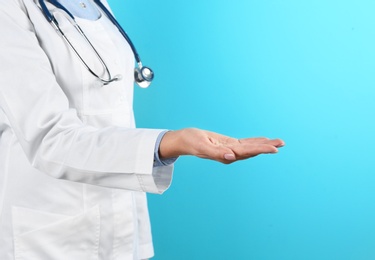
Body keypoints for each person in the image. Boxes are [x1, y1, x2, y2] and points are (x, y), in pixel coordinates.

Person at [0, 0, 285, 259]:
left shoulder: (96, 4)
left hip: (120, 211)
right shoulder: (9, 10)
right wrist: (171, 142)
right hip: (50, 226)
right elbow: (49, 138)